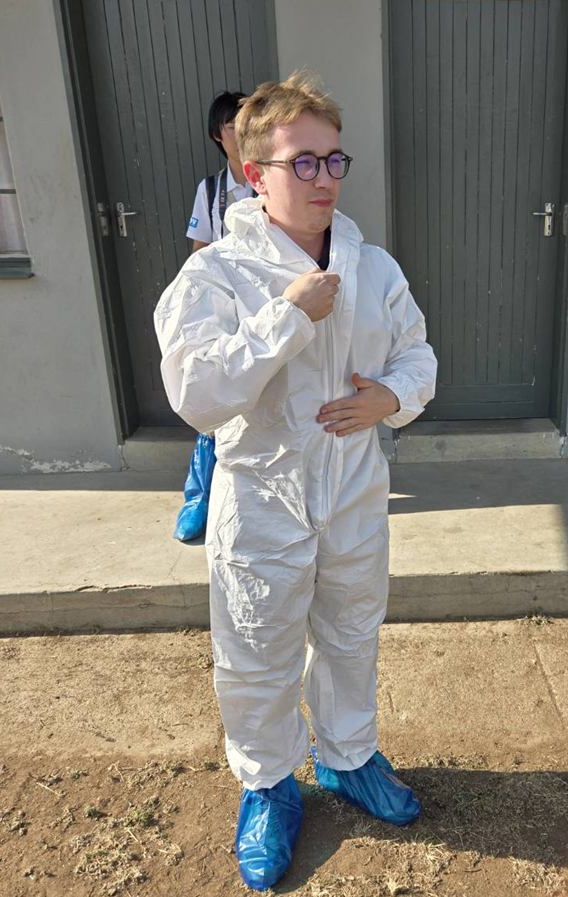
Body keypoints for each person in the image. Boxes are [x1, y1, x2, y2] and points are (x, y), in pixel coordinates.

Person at [155, 71, 438, 891]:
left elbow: (416, 351)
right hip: (263, 498)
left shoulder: (372, 264)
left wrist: (393, 397)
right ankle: (270, 784)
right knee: (256, 649)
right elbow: (198, 395)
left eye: (333, 160)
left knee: (352, 629)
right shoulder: (216, 277)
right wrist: (287, 316)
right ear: (255, 175)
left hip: (352, 489)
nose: (323, 178)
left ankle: (348, 755)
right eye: (302, 163)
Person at [176, 91, 254, 542]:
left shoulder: (277, 180)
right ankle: (204, 498)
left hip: (271, 308)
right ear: (217, 135)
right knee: (218, 400)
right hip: (226, 308)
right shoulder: (212, 191)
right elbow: (198, 255)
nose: (241, 131)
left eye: (248, 121)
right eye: (232, 125)